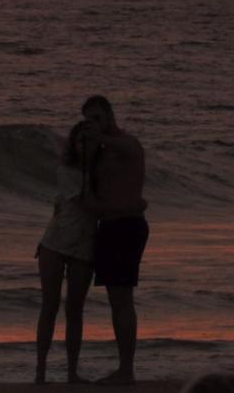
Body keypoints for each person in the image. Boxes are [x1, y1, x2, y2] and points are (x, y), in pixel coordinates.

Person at [81, 94, 148, 387]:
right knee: (115, 300)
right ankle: (124, 367)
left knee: (123, 298)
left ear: (109, 115)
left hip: (127, 226)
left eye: (97, 118)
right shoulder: (99, 152)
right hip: (108, 226)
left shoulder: (127, 144)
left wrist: (100, 138)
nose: (92, 124)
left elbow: (126, 148)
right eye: (88, 120)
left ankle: (127, 370)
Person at [34, 120, 100, 384]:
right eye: (81, 140)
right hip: (55, 243)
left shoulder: (101, 172)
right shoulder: (67, 170)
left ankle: (72, 372)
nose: (85, 145)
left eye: (90, 140)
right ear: (74, 144)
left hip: (84, 246)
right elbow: (89, 203)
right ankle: (41, 371)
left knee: (75, 310)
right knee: (49, 306)